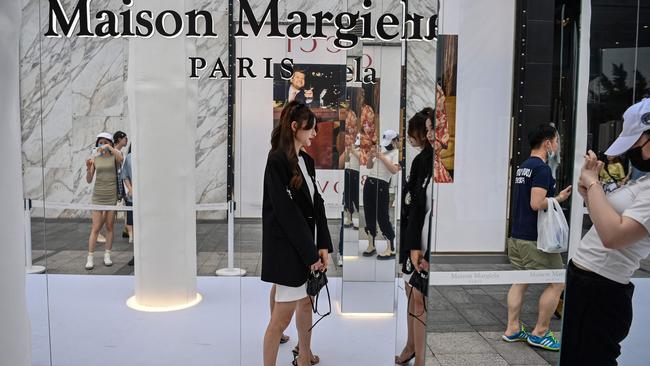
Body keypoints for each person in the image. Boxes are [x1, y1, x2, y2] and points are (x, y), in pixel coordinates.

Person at [560, 98, 650, 365]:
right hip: (590, 283)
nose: (632, 151)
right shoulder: (644, 179)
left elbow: (614, 236)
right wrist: (591, 189)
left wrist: (594, 186)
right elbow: (607, 219)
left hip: (602, 290)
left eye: (636, 143)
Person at [261, 101, 333, 366]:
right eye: (310, 129)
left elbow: (318, 204)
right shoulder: (277, 161)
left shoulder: (307, 161)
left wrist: (323, 244)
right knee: (280, 320)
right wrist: (310, 252)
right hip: (290, 250)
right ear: (294, 127)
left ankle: (304, 355)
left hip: (306, 247)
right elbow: (285, 213)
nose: (314, 134)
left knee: (306, 302)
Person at [502, 124, 572, 351]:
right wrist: (558, 198)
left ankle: (512, 329)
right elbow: (536, 203)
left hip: (517, 236)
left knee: (521, 280)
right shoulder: (541, 169)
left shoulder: (523, 166)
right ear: (547, 143)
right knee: (557, 282)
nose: (557, 146)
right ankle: (540, 332)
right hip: (535, 239)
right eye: (556, 141)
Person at [396, 108, 435, 366]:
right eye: (429, 129)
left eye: (434, 129)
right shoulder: (422, 161)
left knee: (419, 297)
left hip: (429, 239)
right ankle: (411, 346)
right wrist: (411, 245)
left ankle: (419, 356)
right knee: (412, 291)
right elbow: (414, 205)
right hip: (417, 236)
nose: (431, 134)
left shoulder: (441, 163)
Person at [84, 132, 124, 270]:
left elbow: (121, 159)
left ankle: (107, 255)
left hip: (111, 195)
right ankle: (90, 257)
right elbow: (89, 180)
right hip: (98, 195)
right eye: (100, 142)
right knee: (95, 228)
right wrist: (88, 170)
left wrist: (110, 148)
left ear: (110, 143)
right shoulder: (95, 158)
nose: (102, 145)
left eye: (104, 142)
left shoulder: (114, 156)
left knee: (110, 226)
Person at [362, 129, 401, 259]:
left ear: (395, 140)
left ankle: (390, 247)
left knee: (382, 216)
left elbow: (394, 170)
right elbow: (368, 167)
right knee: (369, 214)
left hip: (382, 185)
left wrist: (382, 157)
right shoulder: (381, 149)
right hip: (369, 182)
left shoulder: (395, 152)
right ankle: (371, 244)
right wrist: (371, 156)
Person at [96, 131, 128, 243]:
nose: (126, 141)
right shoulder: (110, 152)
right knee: (106, 211)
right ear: (119, 139)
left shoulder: (114, 151)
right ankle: (98, 232)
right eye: (125, 139)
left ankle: (104, 232)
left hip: (115, 183)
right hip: (110, 184)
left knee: (110, 212)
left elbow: (120, 158)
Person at [120, 145, 135, 266]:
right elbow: (124, 175)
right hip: (133, 198)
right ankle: (136, 256)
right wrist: (130, 188)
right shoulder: (129, 158)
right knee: (134, 225)